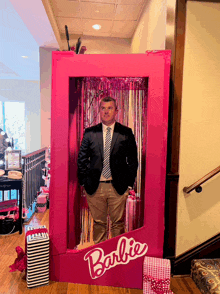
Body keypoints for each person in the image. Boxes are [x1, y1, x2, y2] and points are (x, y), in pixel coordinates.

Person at [77, 96, 138, 244]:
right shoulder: (90, 133)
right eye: (103, 108)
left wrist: (128, 185)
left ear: (116, 111)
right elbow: (82, 159)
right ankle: (101, 261)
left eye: (109, 108)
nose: (106, 111)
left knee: (118, 225)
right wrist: (84, 182)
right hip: (95, 187)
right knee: (99, 224)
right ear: (99, 111)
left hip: (118, 187)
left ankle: (116, 261)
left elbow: (133, 160)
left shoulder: (126, 132)